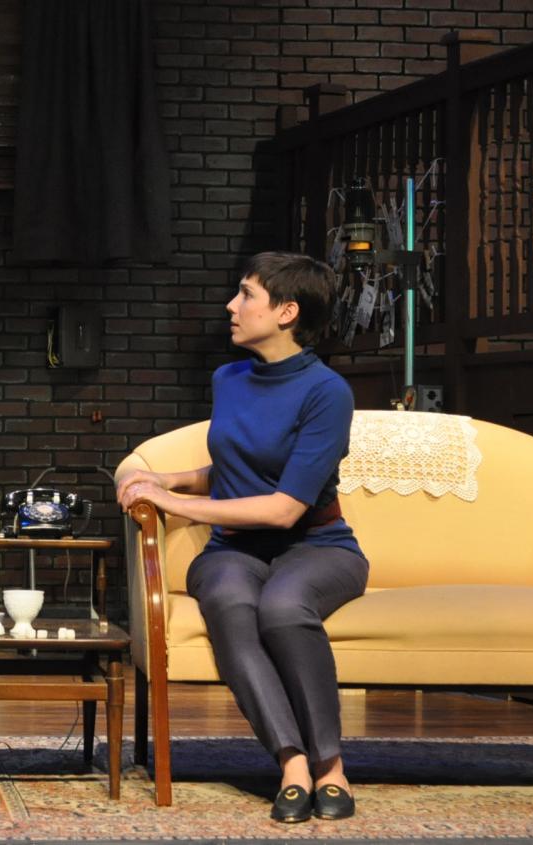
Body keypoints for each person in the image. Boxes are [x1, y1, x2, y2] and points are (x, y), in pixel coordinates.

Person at [116, 252, 368, 823]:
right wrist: (167, 479)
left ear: (286, 312)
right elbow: (237, 468)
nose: (232, 306)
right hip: (233, 550)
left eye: (246, 295)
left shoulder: (326, 392)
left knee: (282, 608)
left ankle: (330, 766)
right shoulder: (228, 379)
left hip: (316, 547)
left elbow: (284, 508)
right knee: (230, 602)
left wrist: (176, 504)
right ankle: (292, 763)